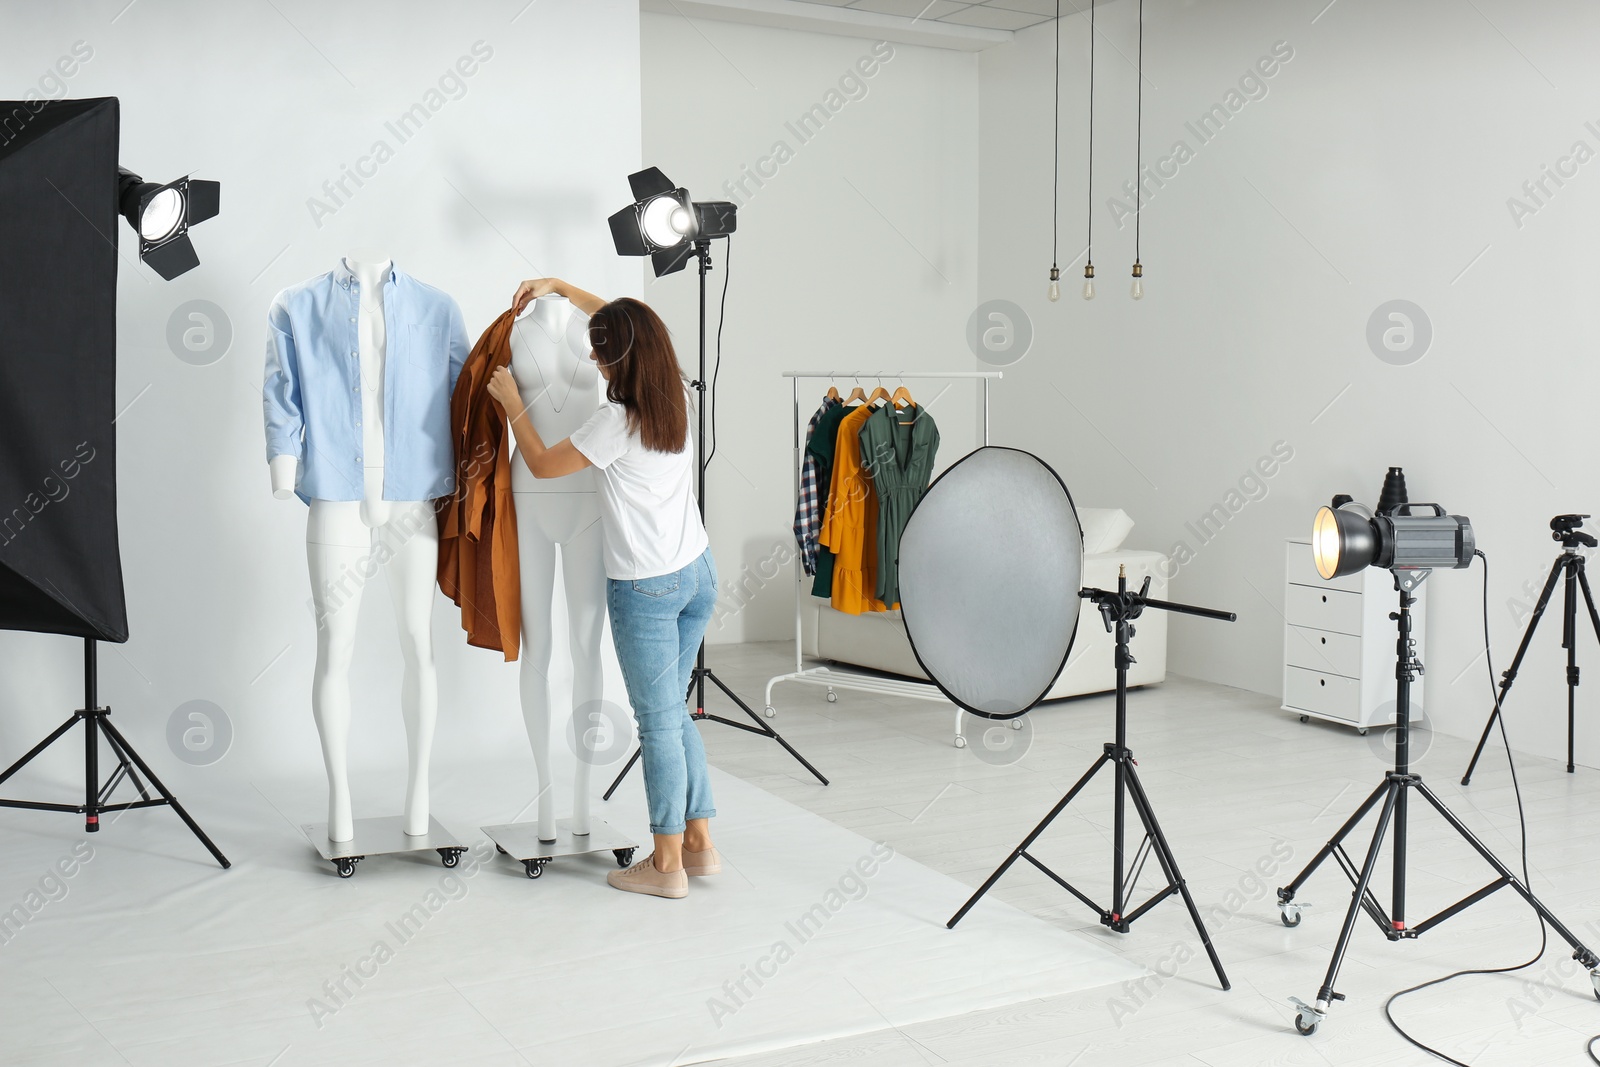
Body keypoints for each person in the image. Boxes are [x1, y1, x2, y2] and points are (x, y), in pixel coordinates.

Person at [486, 277, 720, 900]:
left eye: (599, 351)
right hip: (698, 574)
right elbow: (632, 325)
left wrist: (512, 403)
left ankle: (666, 861)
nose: (590, 358)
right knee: (674, 708)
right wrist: (562, 287)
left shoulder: (613, 422)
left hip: (646, 589)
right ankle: (699, 843)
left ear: (620, 360)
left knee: (657, 724)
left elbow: (539, 463)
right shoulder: (674, 400)